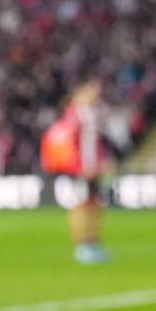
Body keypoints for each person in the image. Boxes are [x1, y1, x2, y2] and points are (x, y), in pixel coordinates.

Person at [44, 79, 110, 264]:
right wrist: (77, 166)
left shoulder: (93, 113)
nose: (94, 93)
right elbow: (68, 142)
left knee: (94, 204)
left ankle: (93, 242)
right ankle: (82, 245)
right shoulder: (74, 115)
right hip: (79, 169)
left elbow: (96, 141)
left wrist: (102, 160)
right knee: (80, 205)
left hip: (93, 167)